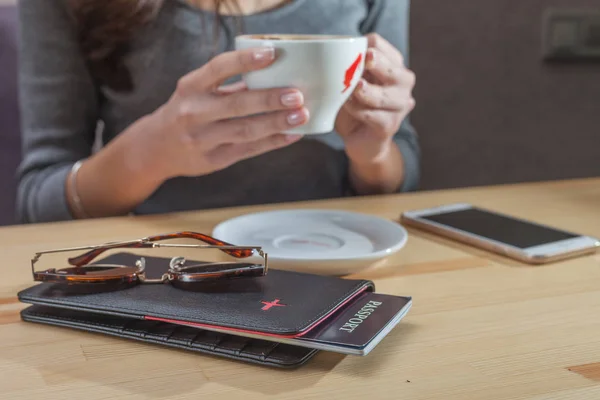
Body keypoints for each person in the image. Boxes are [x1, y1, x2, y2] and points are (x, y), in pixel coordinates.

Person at [16, 0, 419, 223]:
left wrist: (374, 153)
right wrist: (148, 154)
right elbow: (39, 201)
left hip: (338, 254)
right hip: (167, 269)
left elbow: (402, 170)